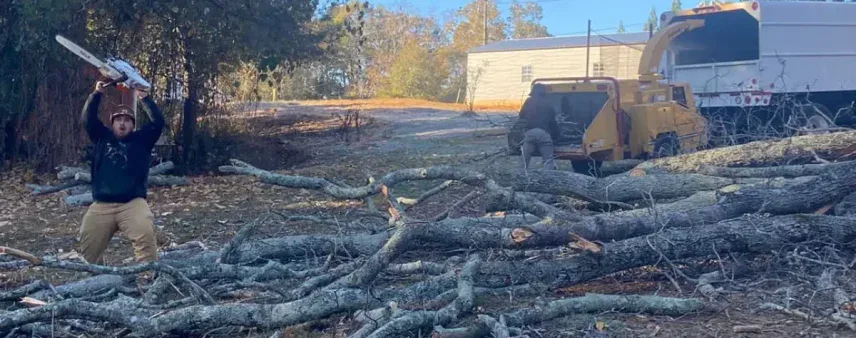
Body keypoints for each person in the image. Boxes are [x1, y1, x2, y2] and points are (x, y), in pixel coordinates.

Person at [76, 81, 165, 265]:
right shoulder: (101, 137)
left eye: (127, 120)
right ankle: (97, 277)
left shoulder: (142, 140)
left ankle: (146, 276)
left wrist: (144, 97)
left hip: (132, 203)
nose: (122, 123)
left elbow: (158, 122)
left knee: (145, 233)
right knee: (86, 249)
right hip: (102, 204)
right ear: (113, 123)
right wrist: (96, 93)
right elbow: (87, 119)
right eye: (118, 120)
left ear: (133, 125)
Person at [518, 83, 559, 170]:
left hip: (529, 134)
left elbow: (521, 116)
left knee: (524, 160)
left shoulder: (528, 101)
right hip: (543, 133)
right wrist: (556, 136)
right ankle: (547, 178)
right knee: (548, 160)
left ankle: (521, 177)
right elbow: (553, 122)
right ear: (543, 93)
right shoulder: (548, 104)